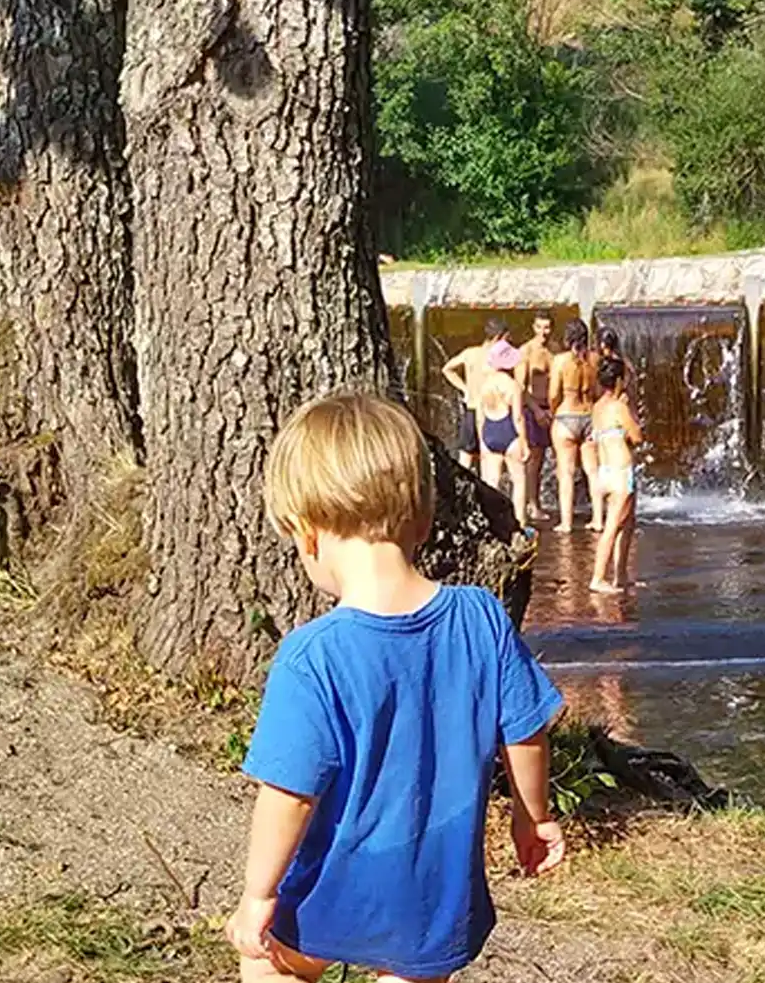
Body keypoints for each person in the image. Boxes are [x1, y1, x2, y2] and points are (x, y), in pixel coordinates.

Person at [229, 392, 566, 983]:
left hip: (331, 891)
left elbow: (291, 796)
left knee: (271, 965)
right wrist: (531, 816)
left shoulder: (313, 656)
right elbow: (527, 731)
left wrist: (257, 894)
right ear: (425, 519)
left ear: (308, 536)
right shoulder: (482, 618)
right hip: (435, 895)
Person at [589, 356, 641, 595]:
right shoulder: (619, 407)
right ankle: (598, 578)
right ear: (619, 380)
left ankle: (621, 575)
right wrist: (630, 409)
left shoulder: (597, 406)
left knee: (627, 523)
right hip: (621, 471)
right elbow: (637, 436)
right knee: (612, 526)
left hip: (605, 471)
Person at [548, 319, 598, 533]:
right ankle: (598, 519)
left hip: (566, 416)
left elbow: (553, 394)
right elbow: (597, 391)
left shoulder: (560, 361)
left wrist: (553, 411)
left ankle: (566, 523)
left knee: (566, 473)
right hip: (589, 416)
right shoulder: (595, 359)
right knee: (593, 472)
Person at [441, 319, 509, 470]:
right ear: (498, 338)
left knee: (466, 456)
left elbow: (447, 369)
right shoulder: (498, 358)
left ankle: (459, 489)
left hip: (471, 409)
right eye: (506, 340)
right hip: (490, 413)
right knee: (489, 457)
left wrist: (465, 388)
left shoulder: (470, 353)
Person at [477, 340, 531, 528]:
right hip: (509, 432)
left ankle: (491, 524)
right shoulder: (513, 385)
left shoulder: (484, 385)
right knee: (519, 481)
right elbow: (518, 417)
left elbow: (479, 417)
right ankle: (521, 524)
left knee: (491, 483)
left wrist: (481, 441)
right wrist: (524, 442)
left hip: (490, 432)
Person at [516, 313, 556, 522]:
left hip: (552, 409)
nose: (544, 333)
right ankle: (533, 505)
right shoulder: (526, 352)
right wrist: (537, 410)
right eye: (540, 327)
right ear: (533, 327)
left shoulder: (555, 350)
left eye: (547, 328)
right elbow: (520, 387)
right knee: (534, 460)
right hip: (534, 410)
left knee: (544, 461)